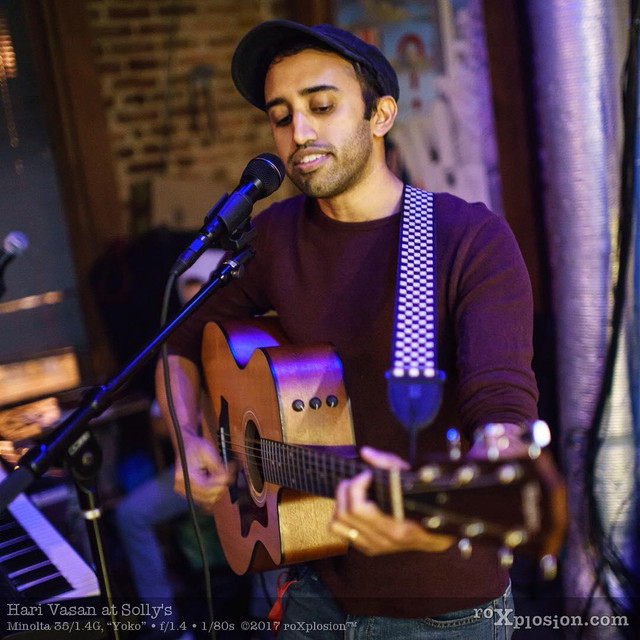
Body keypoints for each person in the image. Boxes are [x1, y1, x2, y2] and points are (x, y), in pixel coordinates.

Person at [156, 20, 541, 639]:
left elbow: (501, 403)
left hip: (444, 612)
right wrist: (189, 437)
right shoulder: (273, 237)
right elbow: (177, 341)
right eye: (281, 116)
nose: (299, 133)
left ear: (380, 115)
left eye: (322, 106)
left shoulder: (466, 239)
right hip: (313, 585)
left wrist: (479, 482)